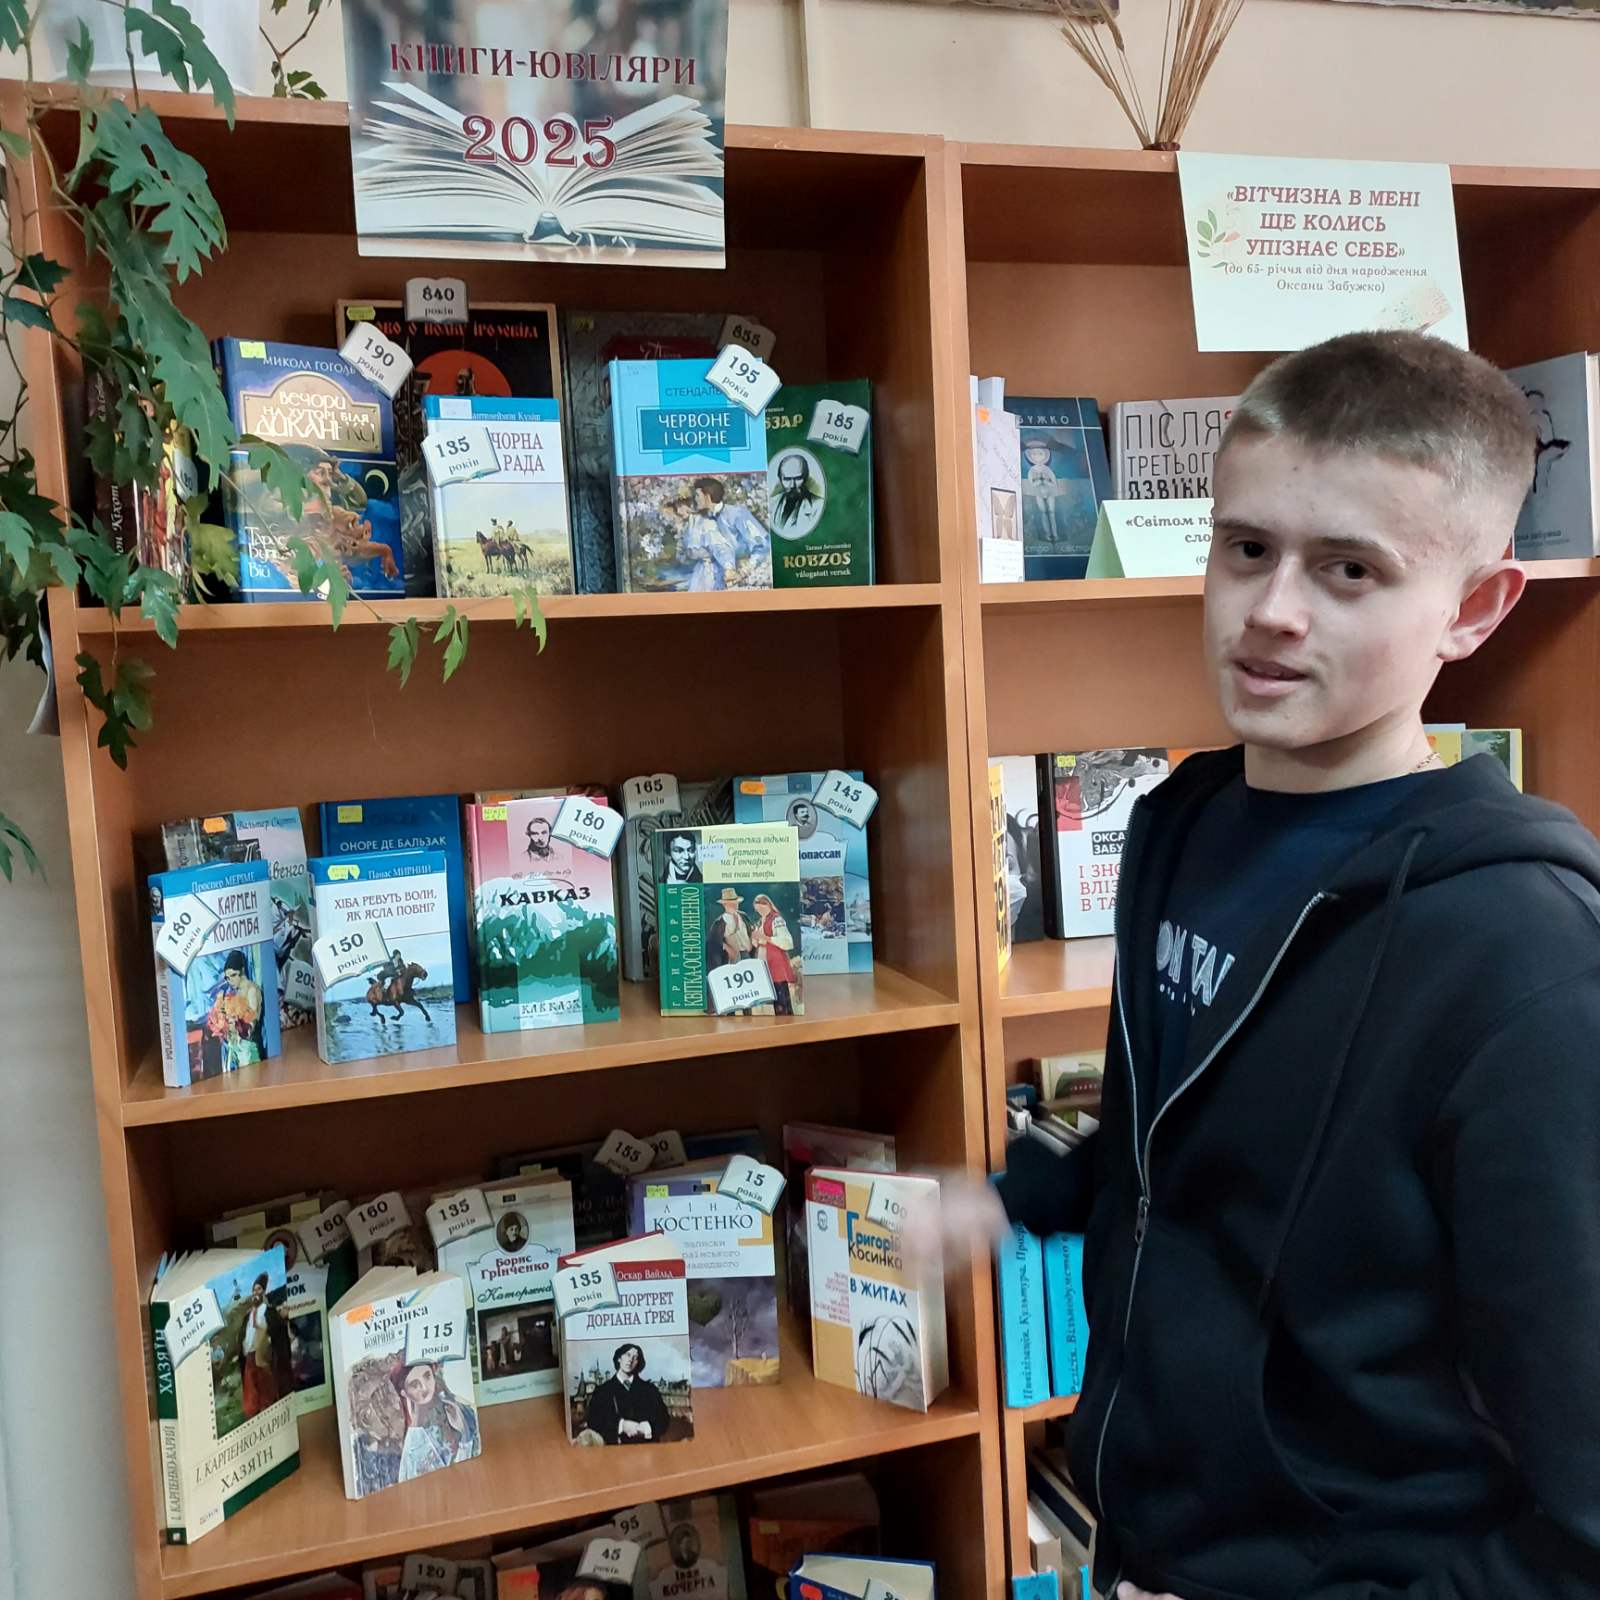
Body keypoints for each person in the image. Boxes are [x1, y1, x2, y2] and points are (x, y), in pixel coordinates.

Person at [921, 331, 1600, 1600]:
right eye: (1246, 548)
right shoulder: (1181, 822)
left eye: (1349, 568)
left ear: (1472, 609)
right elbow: (1193, 1133)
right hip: (1152, 1532)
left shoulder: (1527, 958)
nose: (1272, 610)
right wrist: (1018, 1197)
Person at [394, 1359, 479, 1481]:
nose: (424, 1388)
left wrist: (463, 1430)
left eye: (427, 1376)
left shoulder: (458, 1408)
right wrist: (416, 1422)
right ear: (404, 1393)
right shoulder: (413, 1436)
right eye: (415, 1385)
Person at [583, 1342, 672, 1444]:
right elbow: (593, 1421)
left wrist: (647, 1427)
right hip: (614, 1450)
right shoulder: (602, 1391)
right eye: (628, 1355)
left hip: (646, 1448)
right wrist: (621, 1425)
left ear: (638, 1363)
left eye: (635, 1358)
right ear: (619, 1358)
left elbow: (664, 1419)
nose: (630, 1360)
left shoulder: (650, 1390)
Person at [693, 477, 771, 578]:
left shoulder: (737, 514)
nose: (695, 499)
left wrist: (746, 569)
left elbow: (762, 544)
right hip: (721, 573)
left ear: (707, 496)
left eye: (697, 495)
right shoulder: (705, 519)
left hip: (750, 572)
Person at [237, 1273, 281, 1418]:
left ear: (263, 1291)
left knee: (266, 1387)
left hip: (263, 1355)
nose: (256, 1292)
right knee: (251, 1390)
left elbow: (274, 1332)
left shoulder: (269, 1311)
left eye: (259, 1289)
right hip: (249, 1356)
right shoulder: (248, 1316)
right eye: (254, 1290)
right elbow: (244, 1336)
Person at [750, 892, 798, 1015]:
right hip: (765, 959)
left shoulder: (776, 920)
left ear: (768, 905)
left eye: (762, 908)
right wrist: (755, 938)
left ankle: (785, 1016)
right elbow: (757, 942)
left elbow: (787, 941)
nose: (760, 911)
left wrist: (765, 938)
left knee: (780, 990)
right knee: (774, 993)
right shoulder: (761, 921)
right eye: (758, 910)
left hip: (775, 961)